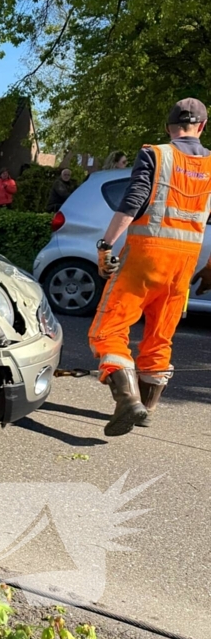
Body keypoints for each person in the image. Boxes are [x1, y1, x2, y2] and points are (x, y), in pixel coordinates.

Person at [89, 98, 211, 437]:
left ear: (168, 127)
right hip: (183, 265)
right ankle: (145, 407)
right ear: (201, 127)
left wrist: (106, 244)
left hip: (146, 256)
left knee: (107, 330)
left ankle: (128, 401)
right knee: (160, 336)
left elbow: (134, 201)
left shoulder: (156, 154)